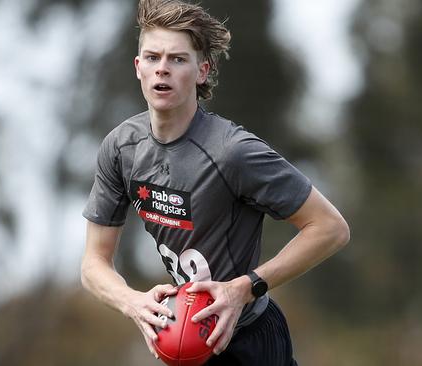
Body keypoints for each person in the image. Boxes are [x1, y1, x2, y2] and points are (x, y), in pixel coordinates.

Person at [80, 0, 350, 364]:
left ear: (202, 71)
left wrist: (245, 288)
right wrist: (134, 302)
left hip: (250, 339)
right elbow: (94, 263)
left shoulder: (233, 152)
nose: (163, 69)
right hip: (186, 340)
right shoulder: (120, 148)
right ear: (138, 67)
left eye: (177, 59)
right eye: (153, 57)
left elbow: (331, 228)